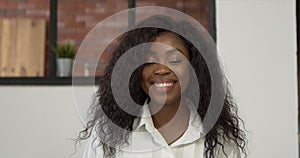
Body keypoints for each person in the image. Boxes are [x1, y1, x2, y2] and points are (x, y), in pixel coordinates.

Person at [78, 15, 247, 158]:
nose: (161, 70)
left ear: (194, 68)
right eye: (149, 61)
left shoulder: (220, 141)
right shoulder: (107, 135)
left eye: (174, 60)